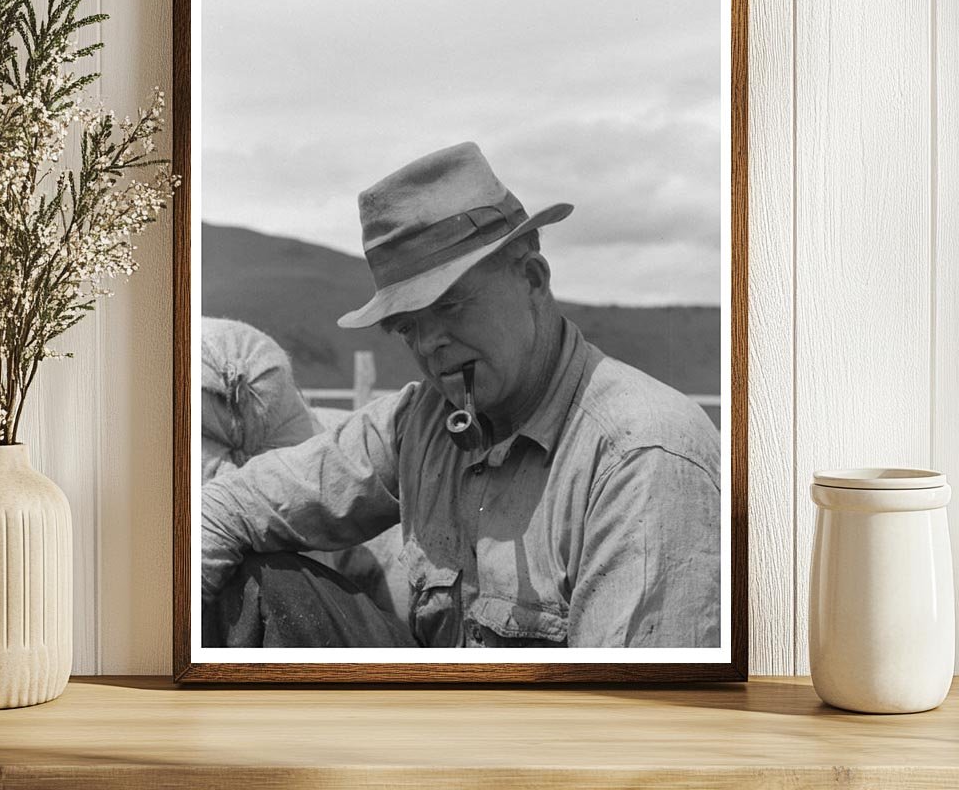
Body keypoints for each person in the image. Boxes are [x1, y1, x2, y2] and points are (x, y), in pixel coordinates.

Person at [201, 141, 720, 648]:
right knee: (263, 590)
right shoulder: (422, 421)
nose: (428, 344)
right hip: (436, 715)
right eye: (407, 326)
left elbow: (628, 714)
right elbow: (234, 504)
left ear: (533, 279)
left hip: (552, 731)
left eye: (451, 305)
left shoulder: (641, 456)